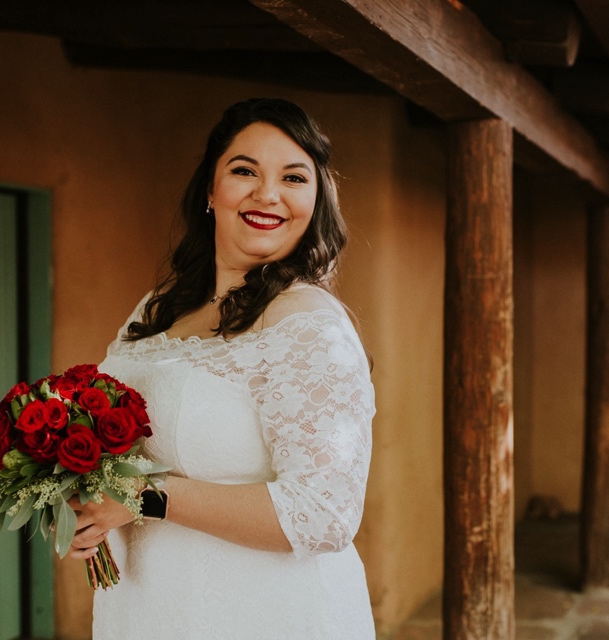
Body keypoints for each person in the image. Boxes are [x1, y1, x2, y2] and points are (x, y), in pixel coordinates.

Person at [67, 97, 376, 639]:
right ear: (211, 190)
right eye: (244, 171)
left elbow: (323, 514)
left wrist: (142, 497)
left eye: (294, 177)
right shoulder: (157, 309)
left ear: (315, 200)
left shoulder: (307, 325)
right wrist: (84, 488)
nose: (268, 194)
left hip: (263, 615)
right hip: (150, 608)